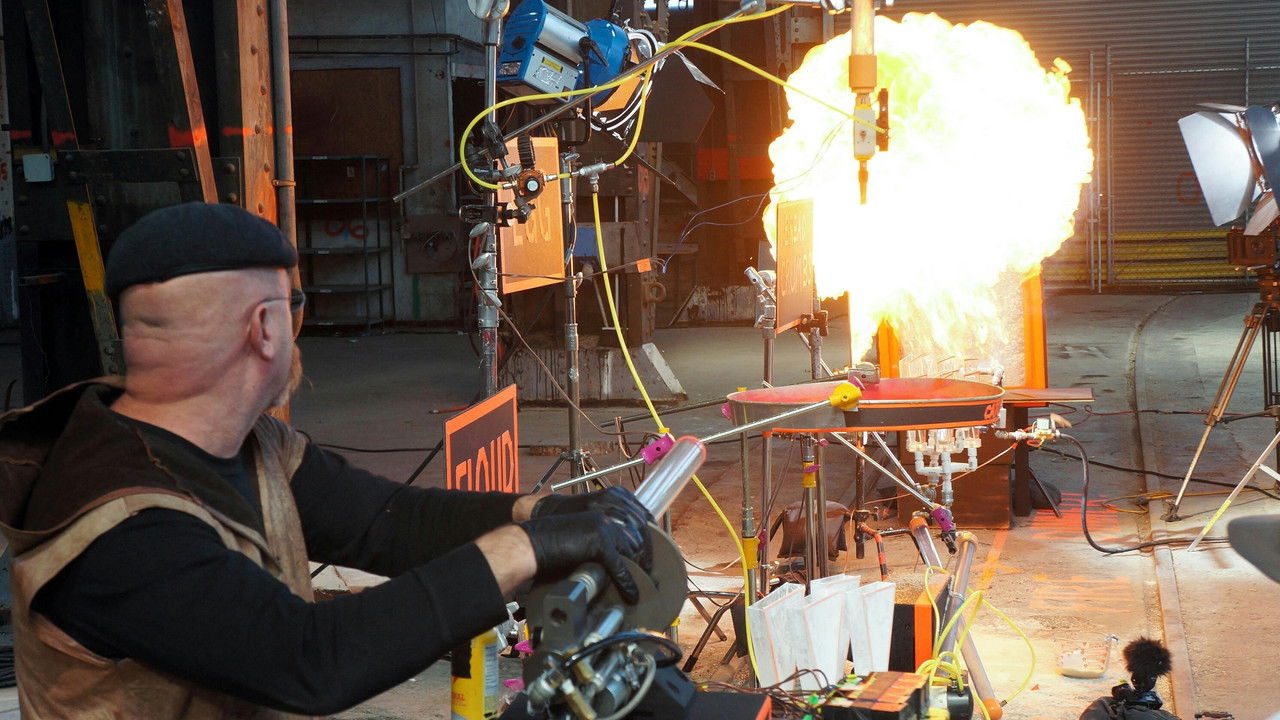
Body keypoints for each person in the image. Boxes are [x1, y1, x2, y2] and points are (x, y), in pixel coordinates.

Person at [0, 202, 655, 719]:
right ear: (264, 327)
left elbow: (388, 522)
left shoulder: (250, 447)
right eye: (296, 306)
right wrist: (521, 549)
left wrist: (539, 513)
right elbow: (310, 660)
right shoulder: (118, 524)